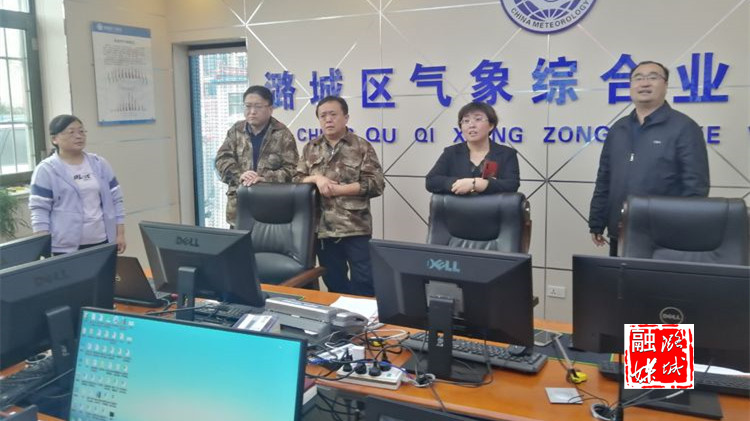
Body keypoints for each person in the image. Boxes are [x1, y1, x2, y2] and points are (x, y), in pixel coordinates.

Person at [589, 61, 709, 256]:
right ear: (631, 85)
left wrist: (683, 229)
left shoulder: (684, 127)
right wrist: (597, 221)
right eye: (638, 78)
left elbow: (696, 187)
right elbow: (604, 178)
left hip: (665, 237)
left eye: (653, 77)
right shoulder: (618, 129)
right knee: (619, 276)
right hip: (620, 230)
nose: (644, 83)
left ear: (666, 85)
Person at [294, 96, 385, 296]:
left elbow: (376, 184)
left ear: (346, 117)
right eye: (323, 116)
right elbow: (296, 180)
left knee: (365, 282)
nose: (328, 119)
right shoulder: (311, 148)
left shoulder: (361, 146)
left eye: (333, 114)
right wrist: (317, 178)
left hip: (355, 227)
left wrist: (339, 190)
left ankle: (364, 316)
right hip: (323, 229)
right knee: (334, 283)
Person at [29, 115, 126, 255]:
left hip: (103, 240)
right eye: (71, 132)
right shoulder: (46, 169)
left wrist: (120, 234)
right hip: (63, 246)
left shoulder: (99, 164)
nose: (79, 136)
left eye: (81, 131)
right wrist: (42, 246)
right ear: (54, 139)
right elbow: (39, 210)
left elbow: (116, 199)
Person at [215, 85, 299, 227]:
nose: (252, 112)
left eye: (258, 107)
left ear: (270, 109)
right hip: (239, 208)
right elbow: (221, 160)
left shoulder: (282, 134)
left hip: (271, 209)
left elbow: (293, 170)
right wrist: (240, 175)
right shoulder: (236, 131)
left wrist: (264, 178)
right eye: (248, 106)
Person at [426, 102, 520, 195]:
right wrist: (461, 184)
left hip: (493, 205)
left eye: (478, 119)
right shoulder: (451, 152)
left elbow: (512, 185)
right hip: (459, 205)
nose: (471, 125)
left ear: (491, 125)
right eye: (466, 121)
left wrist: (479, 184)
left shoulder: (507, 153)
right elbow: (431, 181)